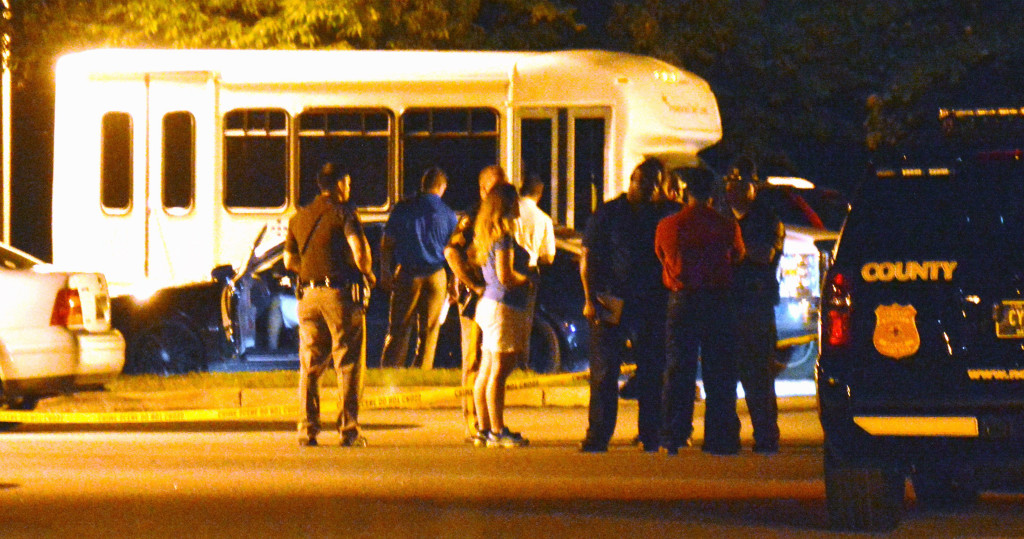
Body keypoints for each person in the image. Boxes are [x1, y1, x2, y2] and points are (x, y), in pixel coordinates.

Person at [579, 158, 669, 453]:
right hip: (611, 300)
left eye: (655, 184)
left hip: (651, 302)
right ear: (632, 180)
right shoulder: (609, 214)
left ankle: (651, 434)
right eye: (643, 181)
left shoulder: (664, 214)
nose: (648, 188)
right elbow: (588, 258)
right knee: (604, 372)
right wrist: (590, 298)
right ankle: (599, 435)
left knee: (652, 371)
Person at [284, 162, 376, 448]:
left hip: (307, 298)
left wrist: (311, 276)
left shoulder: (298, 217)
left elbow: (289, 262)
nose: (349, 188)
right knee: (347, 362)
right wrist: (369, 274)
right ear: (338, 185)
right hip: (339, 295)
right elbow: (359, 253)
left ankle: (306, 430)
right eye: (347, 183)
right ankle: (348, 430)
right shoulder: (344, 212)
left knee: (310, 366)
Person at [655, 167, 745, 455]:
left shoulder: (669, 225)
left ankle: (674, 434)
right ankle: (720, 438)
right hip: (717, 300)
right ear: (712, 193)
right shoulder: (726, 225)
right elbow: (738, 255)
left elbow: (661, 255)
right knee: (719, 371)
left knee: (678, 368)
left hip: (682, 300)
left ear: (685, 192)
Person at [725, 156, 786, 454]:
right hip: (725, 305)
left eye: (740, 182)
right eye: (730, 182)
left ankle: (765, 435)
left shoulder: (767, 219)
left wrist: (731, 253)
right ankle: (726, 435)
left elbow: (763, 255)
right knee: (723, 375)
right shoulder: (722, 217)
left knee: (757, 376)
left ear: (754, 186)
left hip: (755, 306)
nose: (734, 187)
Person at [444, 165, 508, 442]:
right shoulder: (473, 217)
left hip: (495, 299)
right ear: (483, 190)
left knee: (490, 361)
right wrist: (473, 284)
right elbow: (451, 251)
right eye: (496, 188)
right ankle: (473, 422)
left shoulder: (501, 217)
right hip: (475, 301)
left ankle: (486, 421)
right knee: (472, 362)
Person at [470, 182, 532, 448]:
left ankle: (484, 428)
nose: (518, 204)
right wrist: (527, 279)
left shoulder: (485, 234)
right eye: (515, 200)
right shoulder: (503, 238)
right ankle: (497, 430)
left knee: (486, 369)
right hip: (503, 307)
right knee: (500, 370)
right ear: (507, 204)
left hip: (488, 303)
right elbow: (506, 276)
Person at [379, 167, 458, 370]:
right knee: (429, 331)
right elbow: (454, 251)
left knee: (399, 329)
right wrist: (454, 281)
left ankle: (390, 372)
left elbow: (387, 243)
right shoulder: (449, 215)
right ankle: (421, 372)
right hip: (436, 275)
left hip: (407, 274)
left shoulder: (403, 209)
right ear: (442, 187)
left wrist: (385, 271)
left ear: (423, 185)